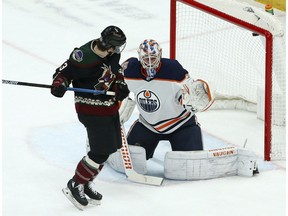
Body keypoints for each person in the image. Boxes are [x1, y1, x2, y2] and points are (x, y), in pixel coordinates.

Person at [50, 25, 130, 210]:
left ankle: (85, 182)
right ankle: (75, 183)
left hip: (110, 108)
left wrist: (120, 84)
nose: (118, 51)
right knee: (99, 151)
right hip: (90, 110)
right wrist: (59, 85)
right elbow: (62, 74)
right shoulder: (82, 56)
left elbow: (116, 71)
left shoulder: (112, 55)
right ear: (109, 45)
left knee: (110, 148)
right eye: (116, 47)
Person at [120, 39, 213, 161]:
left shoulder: (173, 70)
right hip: (148, 125)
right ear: (139, 57)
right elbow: (116, 87)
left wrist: (189, 98)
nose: (149, 63)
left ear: (159, 55)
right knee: (131, 160)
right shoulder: (130, 71)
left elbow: (189, 90)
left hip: (181, 124)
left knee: (192, 163)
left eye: (152, 58)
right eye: (146, 59)